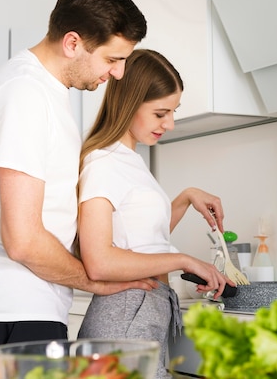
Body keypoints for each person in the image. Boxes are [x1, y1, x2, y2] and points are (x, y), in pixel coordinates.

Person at [0, 0, 219, 379]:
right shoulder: (25, 96)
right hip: (2, 301)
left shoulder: (49, 94)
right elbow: (22, 241)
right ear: (73, 43)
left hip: (26, 298)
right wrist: (97, 280)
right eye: (112, 59)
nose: (120, 74)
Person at [75, 49, 233, 379]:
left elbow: (144, 241)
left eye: (173, 112)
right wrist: (185, 261)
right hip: (125, 317)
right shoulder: (104, 162)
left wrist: (185, 198)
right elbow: (100, 260)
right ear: (130, 103)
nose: (170, 123)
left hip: (143, 312)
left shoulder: (129, 160)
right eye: (161, 113)